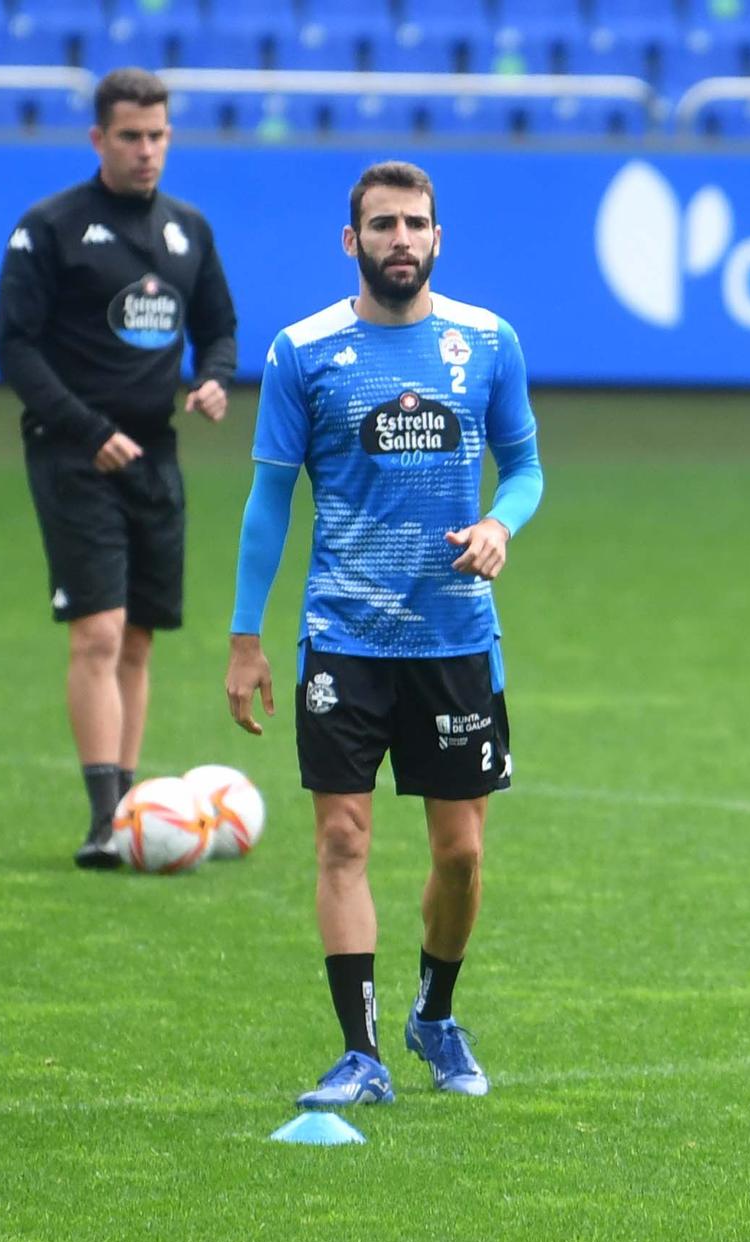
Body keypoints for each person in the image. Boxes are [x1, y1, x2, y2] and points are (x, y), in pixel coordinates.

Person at [224, 161, 544, 1106]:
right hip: (345, 637)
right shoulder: (303, 351)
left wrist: (499, 524)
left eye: (415, 224)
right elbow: (267, 503)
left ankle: (433, 1015)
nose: (399, 239)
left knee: (461, 853)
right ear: (351, 240)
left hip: (454, 640)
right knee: (342, 839)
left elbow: (524, 468)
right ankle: (361, 1054)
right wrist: (247, 635)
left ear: (438, 239)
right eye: (382, 225)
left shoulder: (488, 342)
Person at [0, 67, 238, 868]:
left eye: (158, 135)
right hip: (72, 450)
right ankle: (105, 821)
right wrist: (85, 427)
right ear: (98, 138)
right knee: (95, 631)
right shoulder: (49, 228)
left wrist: (212, 379)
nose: (146, 151)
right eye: (130, 136)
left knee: (138, 639)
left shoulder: (188, 230)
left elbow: (220, 327)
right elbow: (15, 348)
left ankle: (132, 808)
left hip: (155, 454)